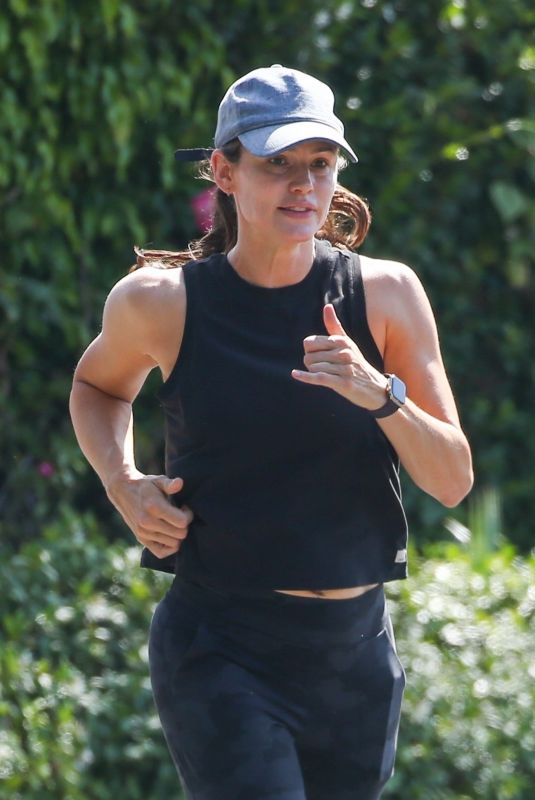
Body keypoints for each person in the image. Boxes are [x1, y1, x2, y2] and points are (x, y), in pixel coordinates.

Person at [69, 65, 473, 800]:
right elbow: (96, 387)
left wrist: (379, 395)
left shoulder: (383, 294)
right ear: (223, 171)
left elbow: (450, 480)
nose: (303, 184)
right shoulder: (162, 304)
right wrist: (122, 482)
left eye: (318, 164)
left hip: (354, 660)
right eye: (276, 163)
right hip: (221, 648)